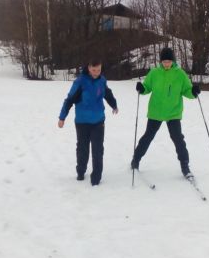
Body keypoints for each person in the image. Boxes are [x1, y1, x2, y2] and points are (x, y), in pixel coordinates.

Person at [131, 47, 200, 180]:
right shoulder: (154, 73)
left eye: (169, 61)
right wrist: (142, 88)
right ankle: (136, 160)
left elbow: (187, 90)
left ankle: (185, 166)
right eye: (164, 61)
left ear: (172, 61)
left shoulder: (180, 74)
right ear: (161, 61)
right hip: (156, 111)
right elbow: (147, 88)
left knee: (178, 139)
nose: (166, 63)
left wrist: (194, 92)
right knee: (148, 137)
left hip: (173, 112)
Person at [58, 58, 118, 186]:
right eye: (94, 70)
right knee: (82, 148)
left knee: (98, 149)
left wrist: (114, 105)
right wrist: (62, 117)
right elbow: (69, 100)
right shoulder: (80, 82)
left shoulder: (102, 80)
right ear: (89, 68)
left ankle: (96, 178)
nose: (97, 72)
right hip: (82, 122)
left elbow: (107, 93)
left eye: (99, 70)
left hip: (98, 121)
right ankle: (80, 171)